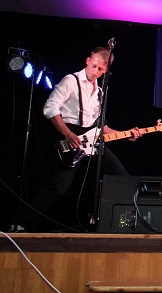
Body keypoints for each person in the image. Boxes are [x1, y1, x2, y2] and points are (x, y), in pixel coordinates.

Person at [9, 47, 140, 232]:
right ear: (87, 60)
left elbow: (101, 126)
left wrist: (126, 134)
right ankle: (20, 223)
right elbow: (50, 108)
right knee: (58, 188)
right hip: (70, 139)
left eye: (101, 70)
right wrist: (67, 133)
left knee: (123, 179)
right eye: (94, 66)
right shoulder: (71, 80)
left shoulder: (100, 92)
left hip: (93, 143)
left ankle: (126, 225)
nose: (96, 72)